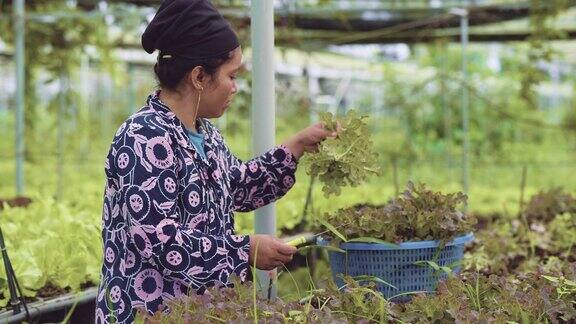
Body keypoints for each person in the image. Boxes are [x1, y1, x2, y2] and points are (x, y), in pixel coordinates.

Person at [95, 0, 335, 323]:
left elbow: (238, 186)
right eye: (230, 76)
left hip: (197, 312)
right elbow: (162, 242)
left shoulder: (206, 134)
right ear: (198, 77)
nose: (235, 87)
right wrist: (245, 250)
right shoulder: (144, 138)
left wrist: (297, 145)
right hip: (147, 313)